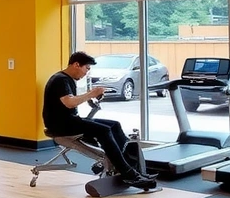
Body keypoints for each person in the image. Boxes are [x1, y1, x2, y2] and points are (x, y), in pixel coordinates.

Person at [44, 51, 156, 189]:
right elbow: (70, 103)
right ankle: (127, 173)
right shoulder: (61, 79)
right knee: (103, 130)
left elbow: (70, 102)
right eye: (87, 68)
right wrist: (92, 93)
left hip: (69, 120)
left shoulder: (65, 79)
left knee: (114, 125)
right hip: (60, 125)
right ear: (76, 65)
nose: (86, 73)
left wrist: (91, 97)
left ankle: (129, 167)